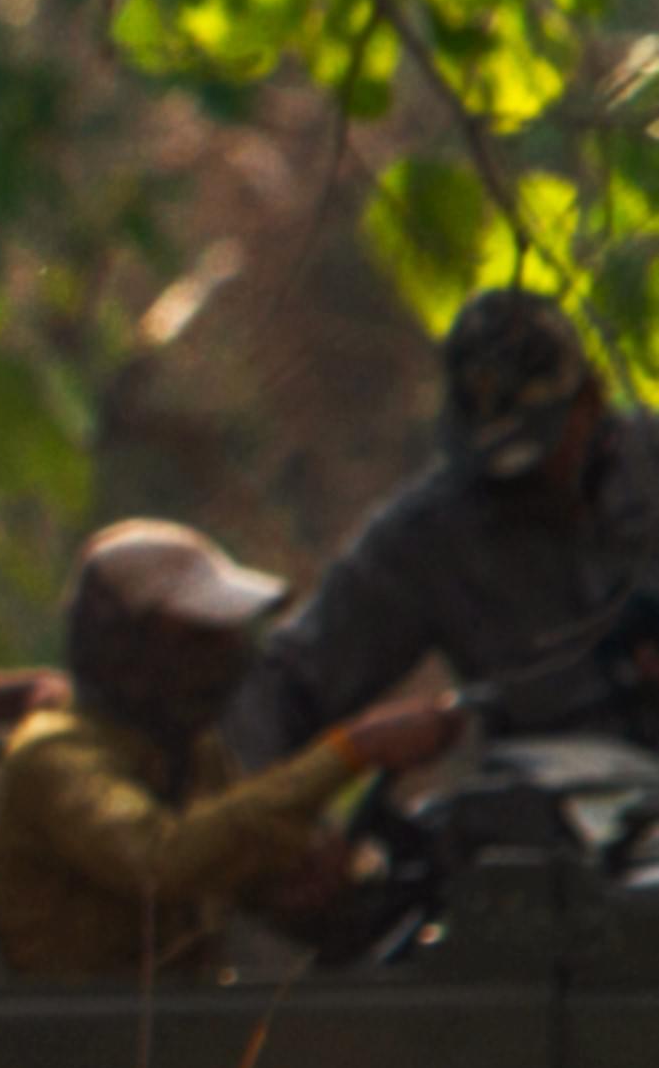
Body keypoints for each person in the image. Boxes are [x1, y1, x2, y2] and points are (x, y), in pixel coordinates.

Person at [0, 520, 461, 979]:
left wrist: (312, 890)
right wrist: (351, 751)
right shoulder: (55, 755)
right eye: (198, 638)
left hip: (176, 1033)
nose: (227, 655)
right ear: (123, 647)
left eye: (228, 635)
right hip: (80, 1045)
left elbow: (239, 866)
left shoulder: (191, 752)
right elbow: (158, 860)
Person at [233, 284, 659, 761]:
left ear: (591, 399)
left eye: (542, 448)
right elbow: (289, 682)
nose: (521, 482)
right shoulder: (433, 534)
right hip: (553, 808)